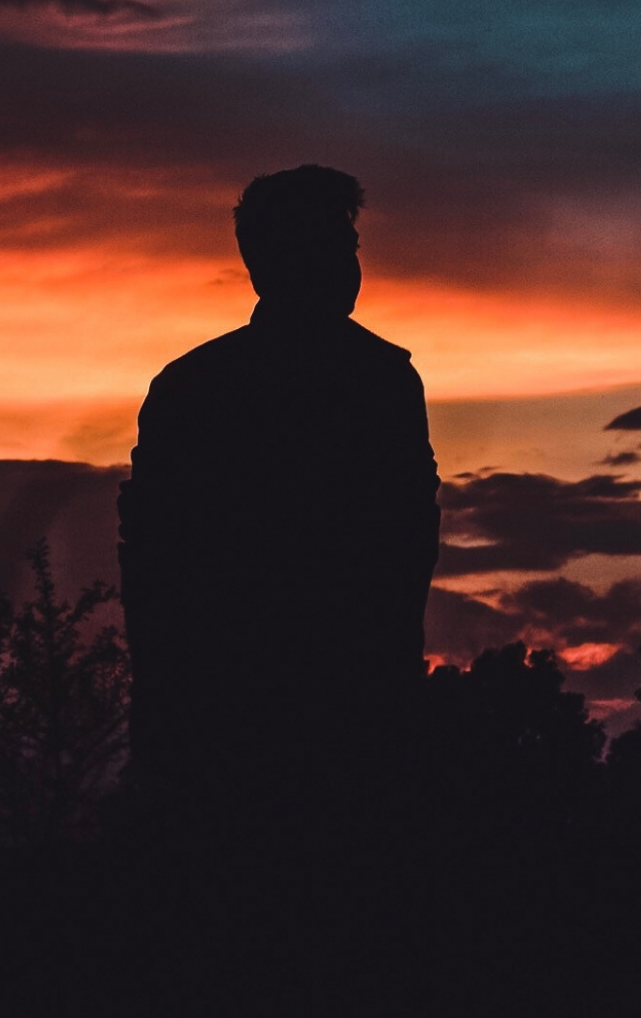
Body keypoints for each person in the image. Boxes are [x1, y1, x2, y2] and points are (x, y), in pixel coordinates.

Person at [117, 165, 440, 820]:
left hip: (250, 719)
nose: (350, 267)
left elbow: (149, 563)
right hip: (287, 720)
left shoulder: (191, 387)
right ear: (274, 262)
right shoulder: (379, 383)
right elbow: (155, 561)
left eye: (350, 249)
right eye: (337, 248)